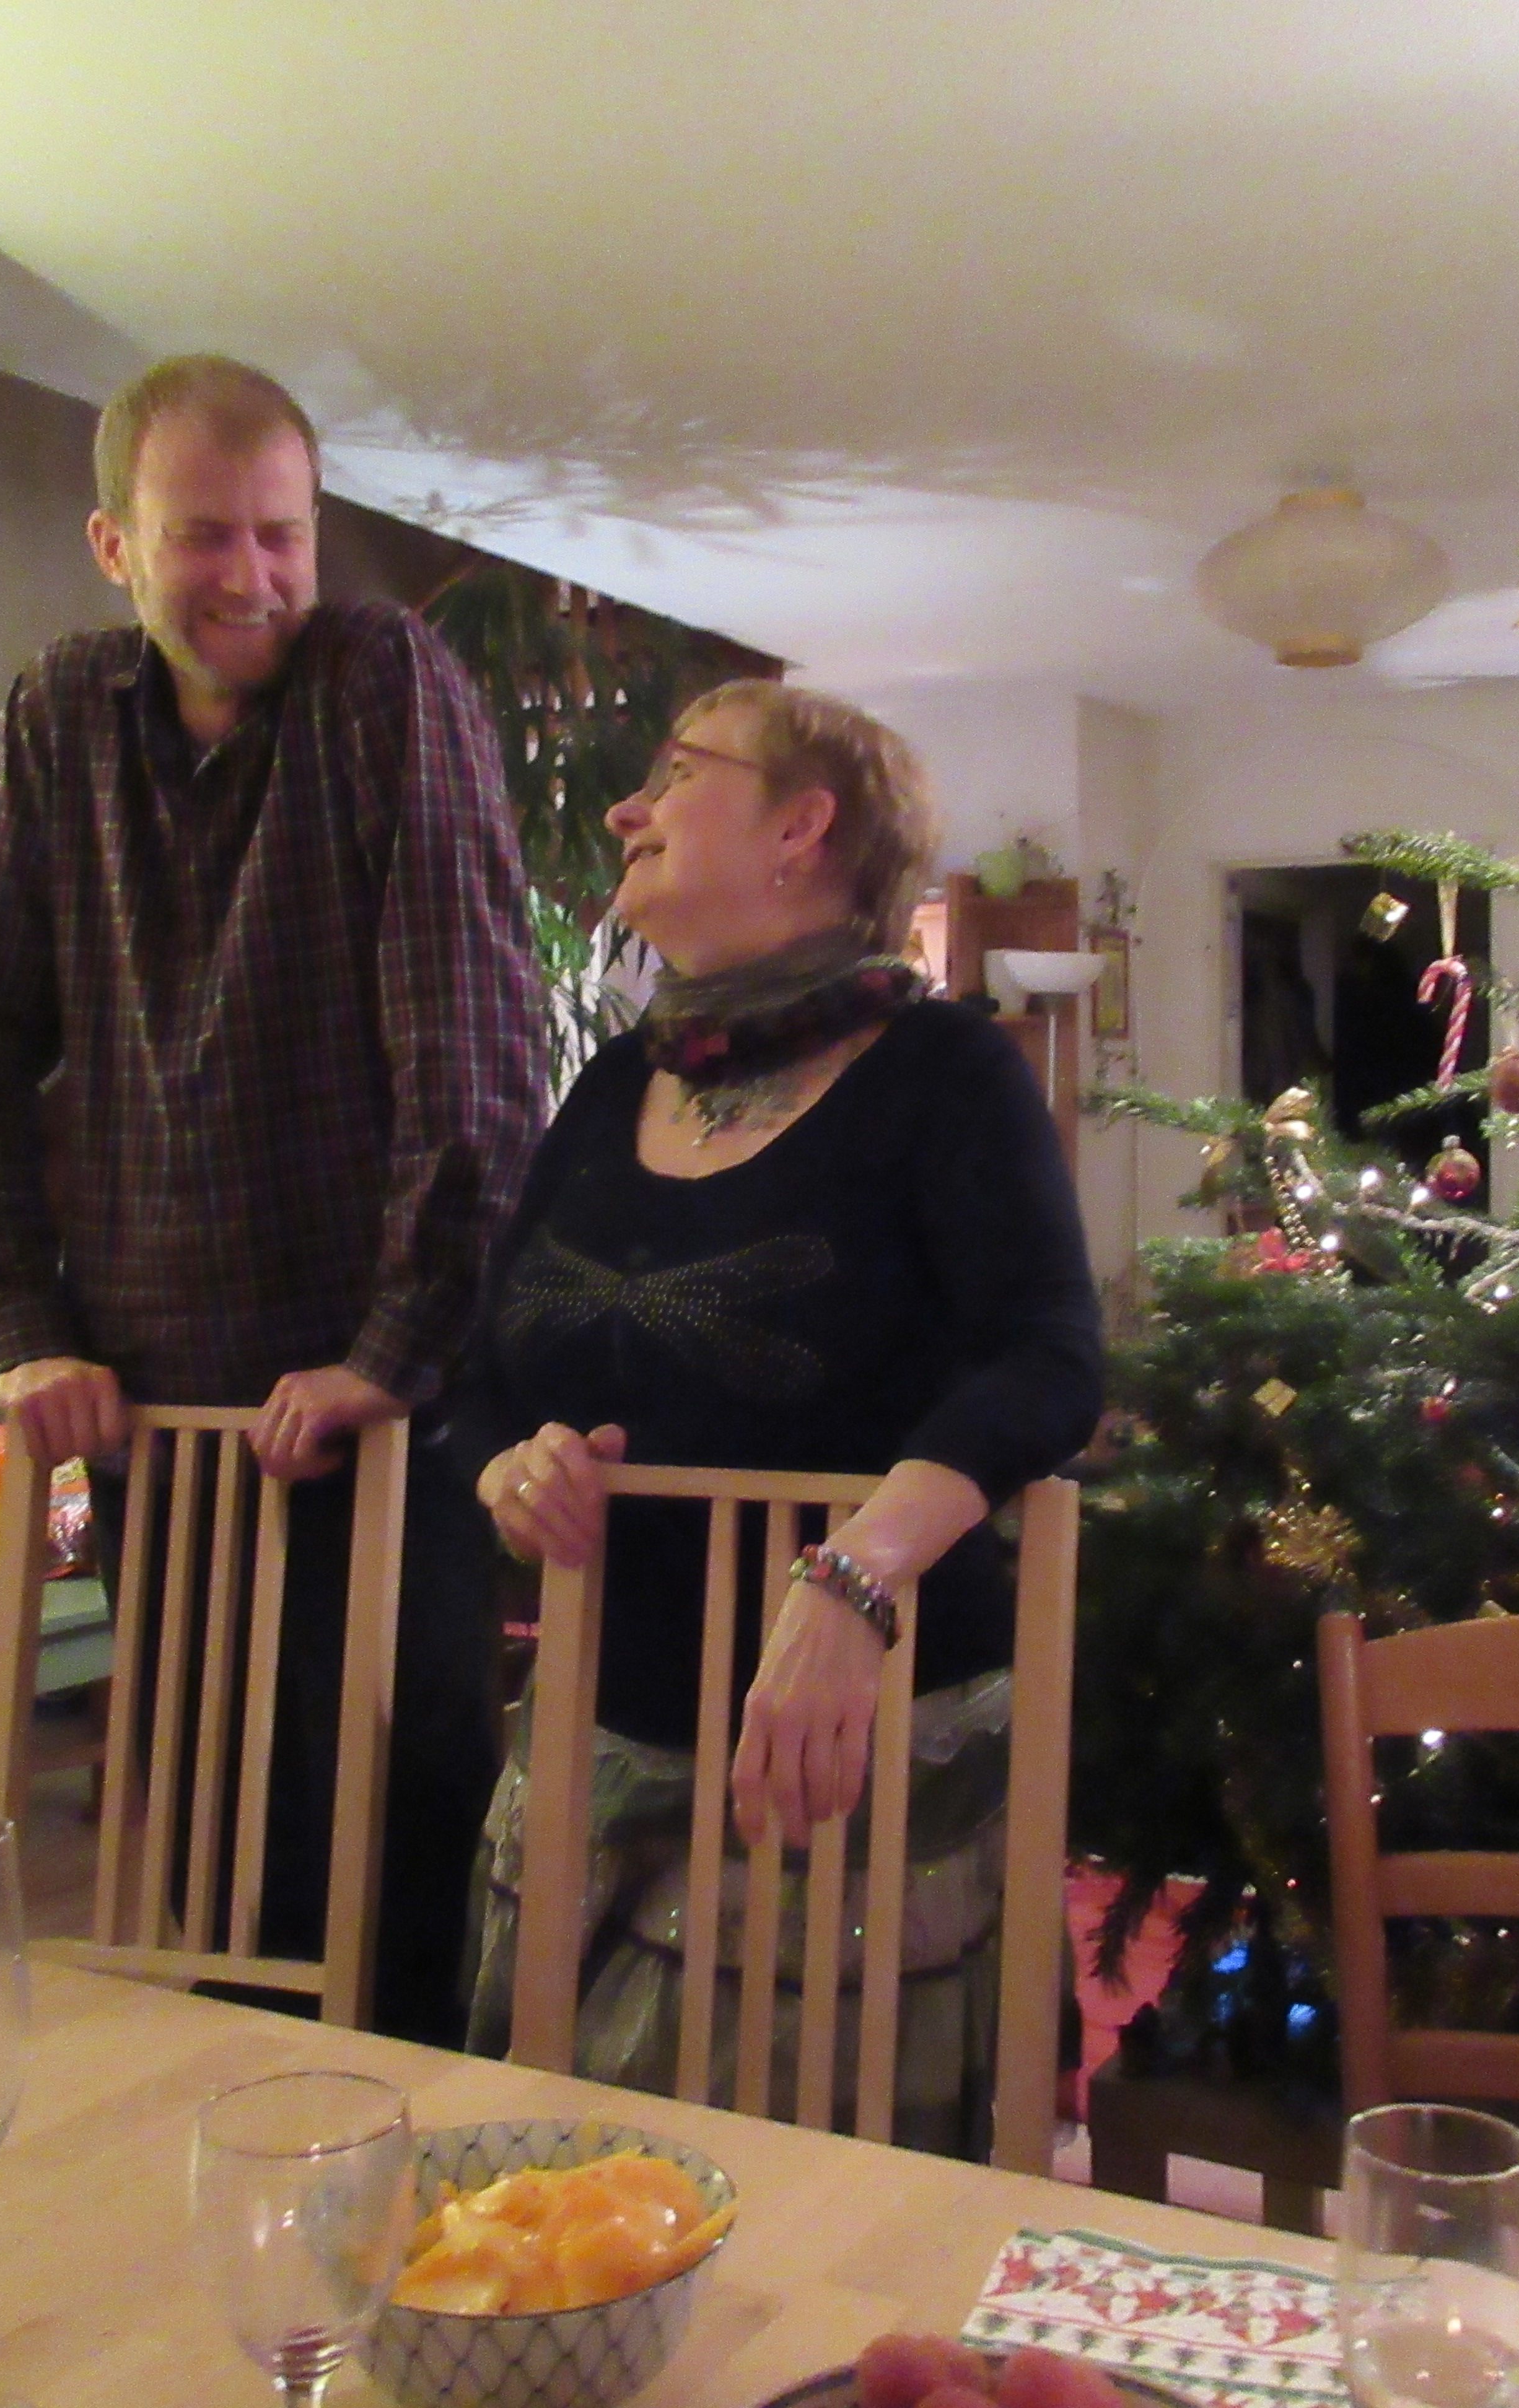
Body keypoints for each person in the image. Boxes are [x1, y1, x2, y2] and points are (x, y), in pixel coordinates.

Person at [0, 354, 547, 2044]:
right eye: (205, 536)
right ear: (113, 545)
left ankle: (423, 2194)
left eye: (284, 534)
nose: (253, 576)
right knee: (219, 1874)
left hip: (381, 1417)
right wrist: (24, 1332)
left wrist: (392, 1350)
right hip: (159, 1428)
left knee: (401, 1876)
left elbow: (473, 1046)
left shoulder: (383, 682)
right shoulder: (56, 723)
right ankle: (250, 2184)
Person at [456, 679, 1102, 2154]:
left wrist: (855, 1578)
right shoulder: (615, 1081)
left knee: (787, 2215)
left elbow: (1050, 1362)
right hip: (592, 1746)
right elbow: (488, 1369)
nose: (627, 808)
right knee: (561, 2191)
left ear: (803, 828)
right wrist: (510, 1467)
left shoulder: (947, 1074)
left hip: (841, 1760)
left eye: (679, 773)